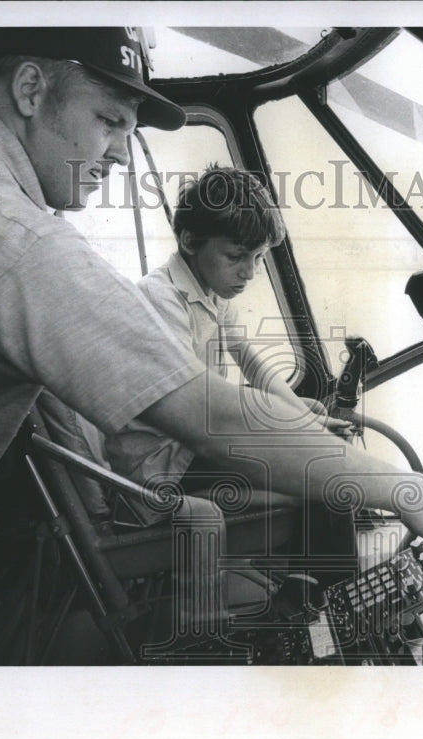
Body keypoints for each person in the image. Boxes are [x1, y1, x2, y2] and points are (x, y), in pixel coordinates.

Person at [0, 26, 423, 661]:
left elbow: (250, 378)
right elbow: (216, 416)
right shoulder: (21, 243)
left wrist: (303, 417)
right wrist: (410, 491)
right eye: (108, 120)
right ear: (29, 89)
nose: (121, 152)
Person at [104, 165, 351, 509]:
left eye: (259, 258)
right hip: (164, 461)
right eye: (236, 257)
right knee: (319, 474)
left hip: (196, 439)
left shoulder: (214, 294)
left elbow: (253, 365)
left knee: (311, 419)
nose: (249, 272)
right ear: (190, 241)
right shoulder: (160, 299)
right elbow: (193, 405)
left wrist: (306, 421)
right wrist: (292, 426)